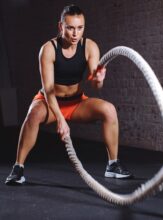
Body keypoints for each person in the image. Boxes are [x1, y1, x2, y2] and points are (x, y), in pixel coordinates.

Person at [5, 5, 133, 185]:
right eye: (70, 28)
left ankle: (112, 165)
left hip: (76, 102)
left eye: (80, 28)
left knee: (109, 110)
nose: (75, 33)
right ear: (61, 27)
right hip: (49, 102)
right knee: (33, 115)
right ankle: (18, 168)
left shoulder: (90, 46)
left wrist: (99, 78)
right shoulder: (48, 49)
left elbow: (96, 85)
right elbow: (48, 89)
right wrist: (59, 118)